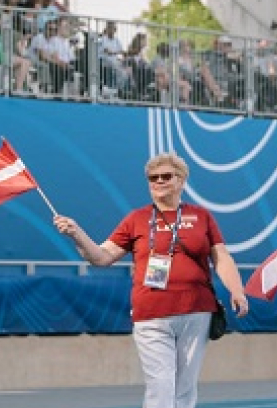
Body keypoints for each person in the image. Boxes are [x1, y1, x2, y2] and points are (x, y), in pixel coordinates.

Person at [53, 153, 248, 408]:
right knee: (161, 384)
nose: (158, 181)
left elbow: (221, 257)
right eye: (153, 178)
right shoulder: (136, 219)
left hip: (196, 311)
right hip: (151, 313)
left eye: (166, 176)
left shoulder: (201, 216)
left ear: (181, 180)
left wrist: (237, 290)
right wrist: (77, 234)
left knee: (185, 388)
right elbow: (101, 257)